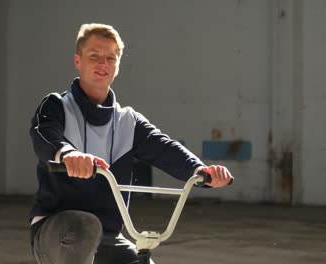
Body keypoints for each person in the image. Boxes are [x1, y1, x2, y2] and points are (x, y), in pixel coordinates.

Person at [29, 23, 233, 264]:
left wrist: (201, 171)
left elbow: (165, 148)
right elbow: (44, 135)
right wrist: (67, 154)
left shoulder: (128, 121)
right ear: (78, 61)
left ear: (117, 65)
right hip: (56, 233)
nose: (102, 64)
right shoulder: (57, 106)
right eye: (94, 56)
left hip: (108, 236)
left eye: (110, 58)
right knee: (85, 225)